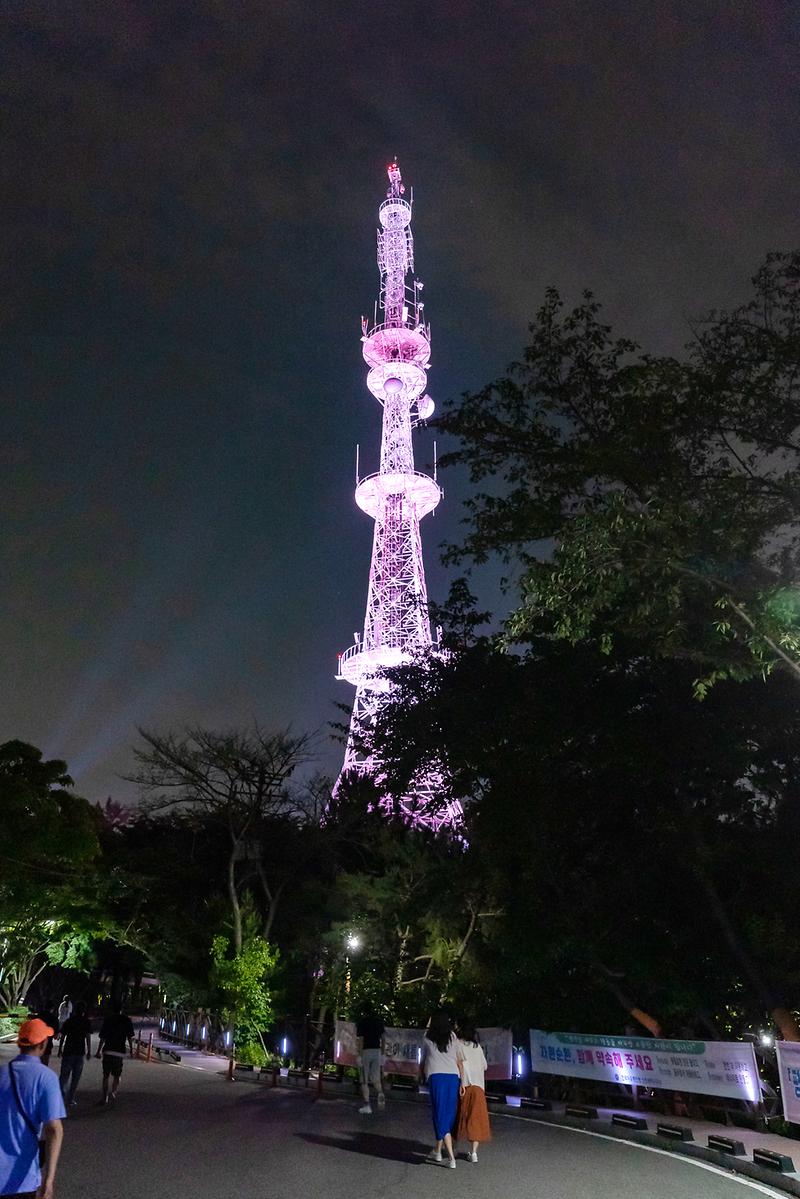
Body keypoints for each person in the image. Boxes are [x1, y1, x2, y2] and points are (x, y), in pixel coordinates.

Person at [0, 1017, 65, 1199]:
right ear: (43, 1044)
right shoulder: (46, 1078)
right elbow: (54, 1129)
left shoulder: (2, 1073)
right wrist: (48, 1180)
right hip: (22, 1178)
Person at [419, 1011, 464, 1169]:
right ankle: (438, 1151)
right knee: (448, 1114)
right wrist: (463, 1082)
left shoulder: (427, 1036)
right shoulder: (452, 1036)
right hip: (453, 1078)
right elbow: (459, 1061)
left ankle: (450, 1157)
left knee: (440, 1114)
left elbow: (423, 1059)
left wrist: (420, 1074)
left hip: (436, 1077)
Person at [455, 1025, 491, 1162]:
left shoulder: (458, 1045)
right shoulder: (477, 1047)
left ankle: (455, 1147)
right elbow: (485, 1066)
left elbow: (458, 1064)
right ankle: (474, 1153)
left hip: (464, 1085)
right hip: (479, 1087)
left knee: (459, 1117)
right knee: (476, 1119)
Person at [95, 1002, 134, 1105]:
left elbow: (102, 1037)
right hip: (119, 1051)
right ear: (122, 1010)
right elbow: (130, 1037)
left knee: (106, 1075)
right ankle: (113, 1091)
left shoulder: (108, 1020)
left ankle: (104, 1098)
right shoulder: (126, 1020)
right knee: (117, 1075)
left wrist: (98, 1051)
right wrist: (131, 1050)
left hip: (108, 1050)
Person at [57, 1002, 92, 1107]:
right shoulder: (86, 1022)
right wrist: (89, 1051)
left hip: (68, 1051)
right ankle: (70, 1099)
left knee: (64, 1077)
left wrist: (60, 1049)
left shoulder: (69, 1021)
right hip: (79, 1052)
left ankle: (60, 1099)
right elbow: (88, 1037)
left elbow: (63, 1036)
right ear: (83, 1011)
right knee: (75, 1078)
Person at [355, 1009, 385, 1114]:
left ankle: (367, 1105)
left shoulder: (362, 1022)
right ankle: (380, 1092)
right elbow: (383, 1038)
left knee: (364, 1080)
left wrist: (359, 1055)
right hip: (377, 1051)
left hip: (366, 1052)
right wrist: (383, 1054)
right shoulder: (379, 1022)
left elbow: (361, 1040)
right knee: (376, 1078)